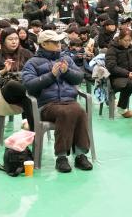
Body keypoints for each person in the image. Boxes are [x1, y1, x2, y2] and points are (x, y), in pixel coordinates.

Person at [22, 30, 93, 173]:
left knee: (80, 111)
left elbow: (79, 77)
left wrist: (67, 72)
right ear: (43, 44)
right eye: (55, 42)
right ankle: (61, 157)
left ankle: (80, 155)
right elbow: (29, 85)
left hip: (69, 101)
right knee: (67, 112)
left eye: (59, 41)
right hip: (47, 105)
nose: (59, 44)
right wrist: (51, 75)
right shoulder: (32, 63)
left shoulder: (66, 59)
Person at [0, 28, 35, 133]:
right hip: (4, 91)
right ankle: (29, 125)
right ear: (3, 41)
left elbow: (36, 69)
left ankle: (30, 128)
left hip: (24, 91)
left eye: (16, 39)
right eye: (10, 39)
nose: (14, 41)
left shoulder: (26, 53)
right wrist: (3, 71)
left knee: (27, 98)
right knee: (12, 84)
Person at [104, 28, 132, 118]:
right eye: (125, 40)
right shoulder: (112, 49)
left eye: (129, 40)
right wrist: (127, 73)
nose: (128, 42)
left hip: (130, 75)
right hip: (115, 77)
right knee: (129, 84)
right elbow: (111, 67)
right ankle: (122, 108)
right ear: (120, 39)